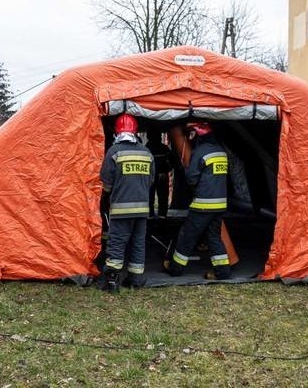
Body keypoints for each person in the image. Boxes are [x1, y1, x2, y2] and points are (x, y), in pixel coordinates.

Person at [166, 121, 231, 280]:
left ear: (197, 137)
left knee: (187, 235)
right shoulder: (221, 152)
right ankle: (223, 272)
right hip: (220, 204)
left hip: (203, 204)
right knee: (214, 237)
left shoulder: (200, 151)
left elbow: (191, 177)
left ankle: (175, 268)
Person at [99, 114, 154, 292]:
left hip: (121, 209)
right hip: (143, 209)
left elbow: (106, 183)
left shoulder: (114, 152)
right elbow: (151, 179)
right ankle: (135, 280)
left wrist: (109, 194)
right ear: (135, 131)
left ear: (117, 132)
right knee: (138, 243)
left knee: (116, 243)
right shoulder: (147, 153)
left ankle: (113, 281)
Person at [146, 127, 173, 218]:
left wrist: (165, 171)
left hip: (156, 177)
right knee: (154, 198)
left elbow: (172, 162)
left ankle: (158, 217)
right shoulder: (147, 149)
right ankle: (157, 217)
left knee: (160, 198)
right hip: (155, 176)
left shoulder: (147, 149)